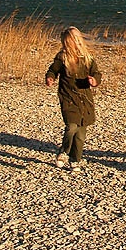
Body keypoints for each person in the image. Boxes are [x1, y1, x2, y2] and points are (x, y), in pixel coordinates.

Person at [45, 26, 102, 172]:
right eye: (72, 41)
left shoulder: (87, 57)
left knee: (81, 135)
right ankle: (64, 152)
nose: (75, 43)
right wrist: (50, 78)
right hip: (68, 98)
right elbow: (53, 70)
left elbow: (96, 73)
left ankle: (75, 159)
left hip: (85, 100)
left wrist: (94, 81)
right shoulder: (62, 57)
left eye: (77, 40)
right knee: (71, 127)